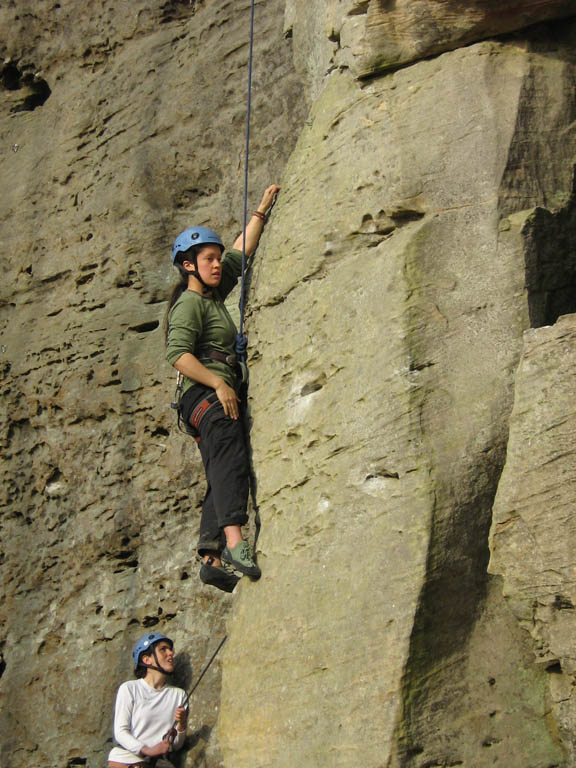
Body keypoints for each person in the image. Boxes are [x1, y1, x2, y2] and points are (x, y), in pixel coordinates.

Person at [165, 184, 280, 593]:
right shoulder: (191, 304)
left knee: (219, 466)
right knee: (229, 448)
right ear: (188, 266)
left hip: (203, 397)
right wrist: (219, 383)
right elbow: (177, 354)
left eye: (215, 259)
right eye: (207, 259)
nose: (216, 265)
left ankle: (211, 554)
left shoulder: (213, 296)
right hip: (205, 393)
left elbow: (238, 253)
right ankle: (234, 542)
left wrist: (262, 212)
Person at [107, 632, 188, 767]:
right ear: (146, 660)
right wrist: (147, 750)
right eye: (163, 649)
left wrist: (181, 725)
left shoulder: (179, 695)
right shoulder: (130, 689)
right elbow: (120, 732)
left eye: (170, 649)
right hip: (124, 762)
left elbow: (176, 745)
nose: (171, 653)